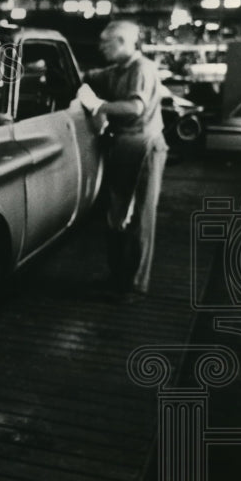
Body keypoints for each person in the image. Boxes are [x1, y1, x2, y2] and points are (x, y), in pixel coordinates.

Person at [77, 20, 168, 302]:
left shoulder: (142, 69)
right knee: (118, 214)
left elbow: (134, 108)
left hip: (144, 146)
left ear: (123, 42)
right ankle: (117, 278)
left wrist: (98, 106)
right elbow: (90, 75)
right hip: (125, 145)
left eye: (106, 42)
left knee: (140, 217)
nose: (101, 47)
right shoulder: (118, 69)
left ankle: (135, 286)